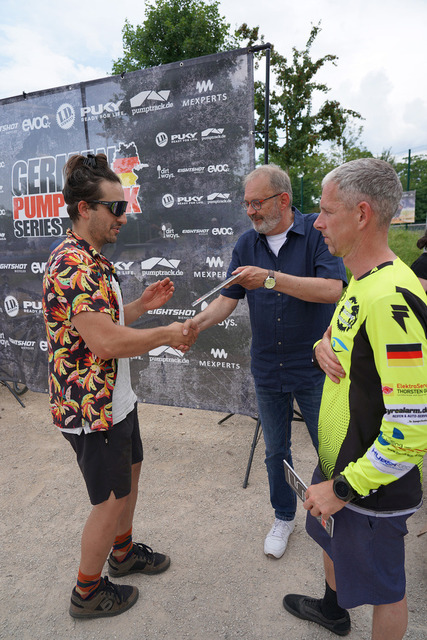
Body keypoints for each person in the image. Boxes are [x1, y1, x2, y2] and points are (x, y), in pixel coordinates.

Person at [42, 153, 198, 619]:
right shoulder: (72, 265)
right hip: (92, 410)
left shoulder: (91, 259)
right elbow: (105, 342)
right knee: (108, 502)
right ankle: (87, 593)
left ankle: (124, 553)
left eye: (124, 207)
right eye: (115, 208)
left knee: (129, 478)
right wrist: (167, 334)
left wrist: (141, 307)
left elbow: (99, 322)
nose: (123, 218)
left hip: (115, 400)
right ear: (84, 209)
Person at [283, 158, 427, 639]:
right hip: (339, 463)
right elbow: (343, 339)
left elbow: (412, 429)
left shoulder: (391, 297)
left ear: (362, 214)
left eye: (326, 211)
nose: (316, 223)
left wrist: (344, 489)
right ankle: (333, 610)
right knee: (328, 541)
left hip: (369, 485)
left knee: (387, 590)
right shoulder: (362, 281)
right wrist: (321, 345)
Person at [193, 164, 347, 558]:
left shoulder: (316, 233)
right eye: (246, 203)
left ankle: (341, 516)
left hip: (316, 368)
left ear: (284, 199)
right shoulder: (247, 244)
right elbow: (227, 299)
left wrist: (270, 278)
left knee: (331, 449)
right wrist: (194, 325)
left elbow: (333, 289)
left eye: (257, 203)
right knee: (275, 451)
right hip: (267, 367)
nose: (250, 211)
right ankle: (284, 516)